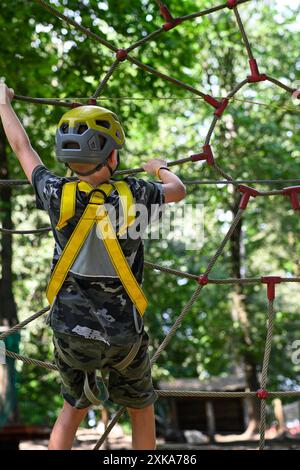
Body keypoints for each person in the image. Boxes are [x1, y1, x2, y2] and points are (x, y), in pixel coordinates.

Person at [0, 83, 186, 450]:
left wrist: (3, 103)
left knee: (73, 407)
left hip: (70, 330)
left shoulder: (56, 192)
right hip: (124, 335)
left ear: (67, 160)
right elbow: (178, 189)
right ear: (113, 158)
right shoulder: (137, 194)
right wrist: (159, 168)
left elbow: (23, 149)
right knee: (141, 409)